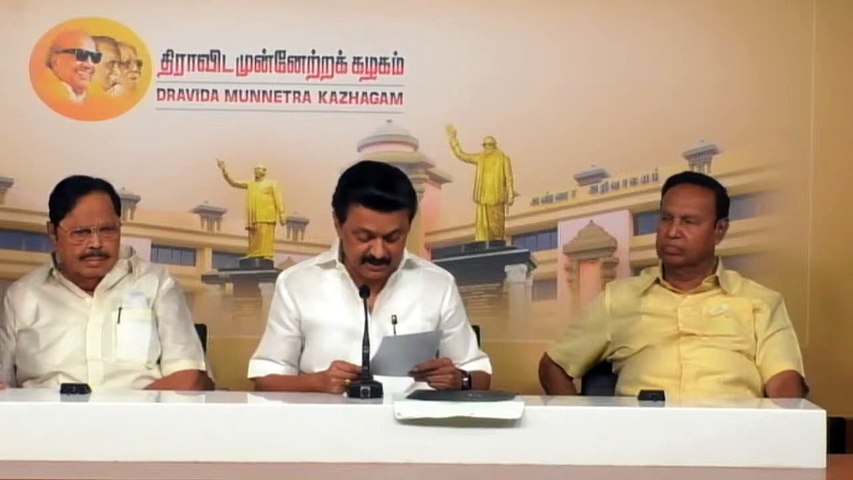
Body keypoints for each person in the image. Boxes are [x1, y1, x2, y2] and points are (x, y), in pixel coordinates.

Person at [539, 171, 806, 400]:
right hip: (641, 435)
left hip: (732, 434)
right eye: (666, 219)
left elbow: (785, 382)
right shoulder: (618, 299)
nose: (673, 232)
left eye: (689, 221)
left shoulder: (760, 302)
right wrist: (585, 429)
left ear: (720, 230)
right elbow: (554, 366)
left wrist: (775, 431)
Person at [249, 160, 491, 393]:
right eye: (364, 237)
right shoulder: (297, 283)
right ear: (338, 224)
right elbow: (265, 379)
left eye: (393, 238)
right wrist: (317, 383)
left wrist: (460, 379)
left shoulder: (438, 284)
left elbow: (479, 373)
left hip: (412, 421)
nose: (379, 252)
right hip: (325, 420)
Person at [0, 175, 212, 391]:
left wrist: (122, 409)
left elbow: (190, 378)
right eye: (81, 233)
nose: (96, 243)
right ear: (53, 233)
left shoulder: (156, 284)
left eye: (107, 230)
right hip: (44, 412)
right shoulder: (23, 295)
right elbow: (3, 384)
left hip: (140, 411)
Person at [445, 124, 516, 241]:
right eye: (485, 145)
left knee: (497, 228)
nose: (486, 147)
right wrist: (453, 140)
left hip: (497, 198)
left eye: (488, 145)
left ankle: (497, 244)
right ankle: (484, 243)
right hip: (483, 198)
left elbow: (509, 177)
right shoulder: (480, 158)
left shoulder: (503, 159)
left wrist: (511, 194)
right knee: (483, 229)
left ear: (494, 146)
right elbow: (462, 155)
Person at [216, 160, 286, 261]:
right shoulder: (250, 184)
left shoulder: (272, 183)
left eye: (258, 169)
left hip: (267, 214)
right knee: (254, 234)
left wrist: (281, 213)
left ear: (264, 171)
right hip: (254, 214)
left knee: (265, 234)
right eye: (255, 170)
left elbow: (278, 199)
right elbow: (233, 183)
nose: (256, 171)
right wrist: (224, 170)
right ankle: (253, 253)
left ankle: (267, 254)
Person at [44, 30, 100, 104]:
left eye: (94, 57)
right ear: (55, 62)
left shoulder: (94, 101)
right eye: (81, 55)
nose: (89, 65)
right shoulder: (46, 95)